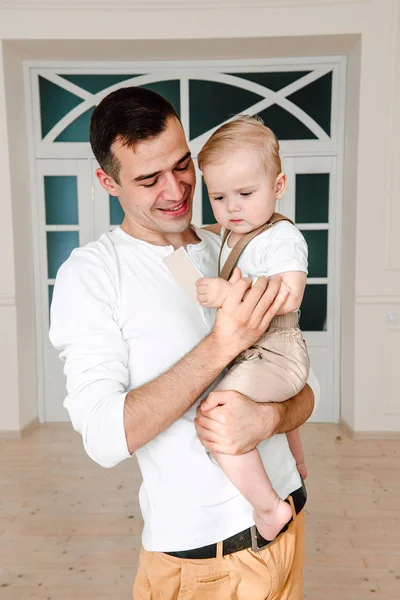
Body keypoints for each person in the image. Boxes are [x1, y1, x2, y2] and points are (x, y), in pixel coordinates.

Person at [49, 86, 319, 600]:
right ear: (108, 181)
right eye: (148, 179)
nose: (175, 190)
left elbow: (306, 388)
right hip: (205, 562)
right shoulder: (93, 273)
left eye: (182, 166)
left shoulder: (233, 240)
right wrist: (222, 344)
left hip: (289, 522)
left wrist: (267, 419)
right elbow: (105, 439)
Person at [195, 115, 309, 543]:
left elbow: (291, 294)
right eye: (218, 196)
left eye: (245, 193)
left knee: (216, 417)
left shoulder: (280, 238)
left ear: (278, 187)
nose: (232, 208)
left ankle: (268, 508)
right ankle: (297, 461)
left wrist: (227, 295)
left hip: (276, 349)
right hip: (255, 349)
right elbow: (223, 237)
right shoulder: (234, 228)